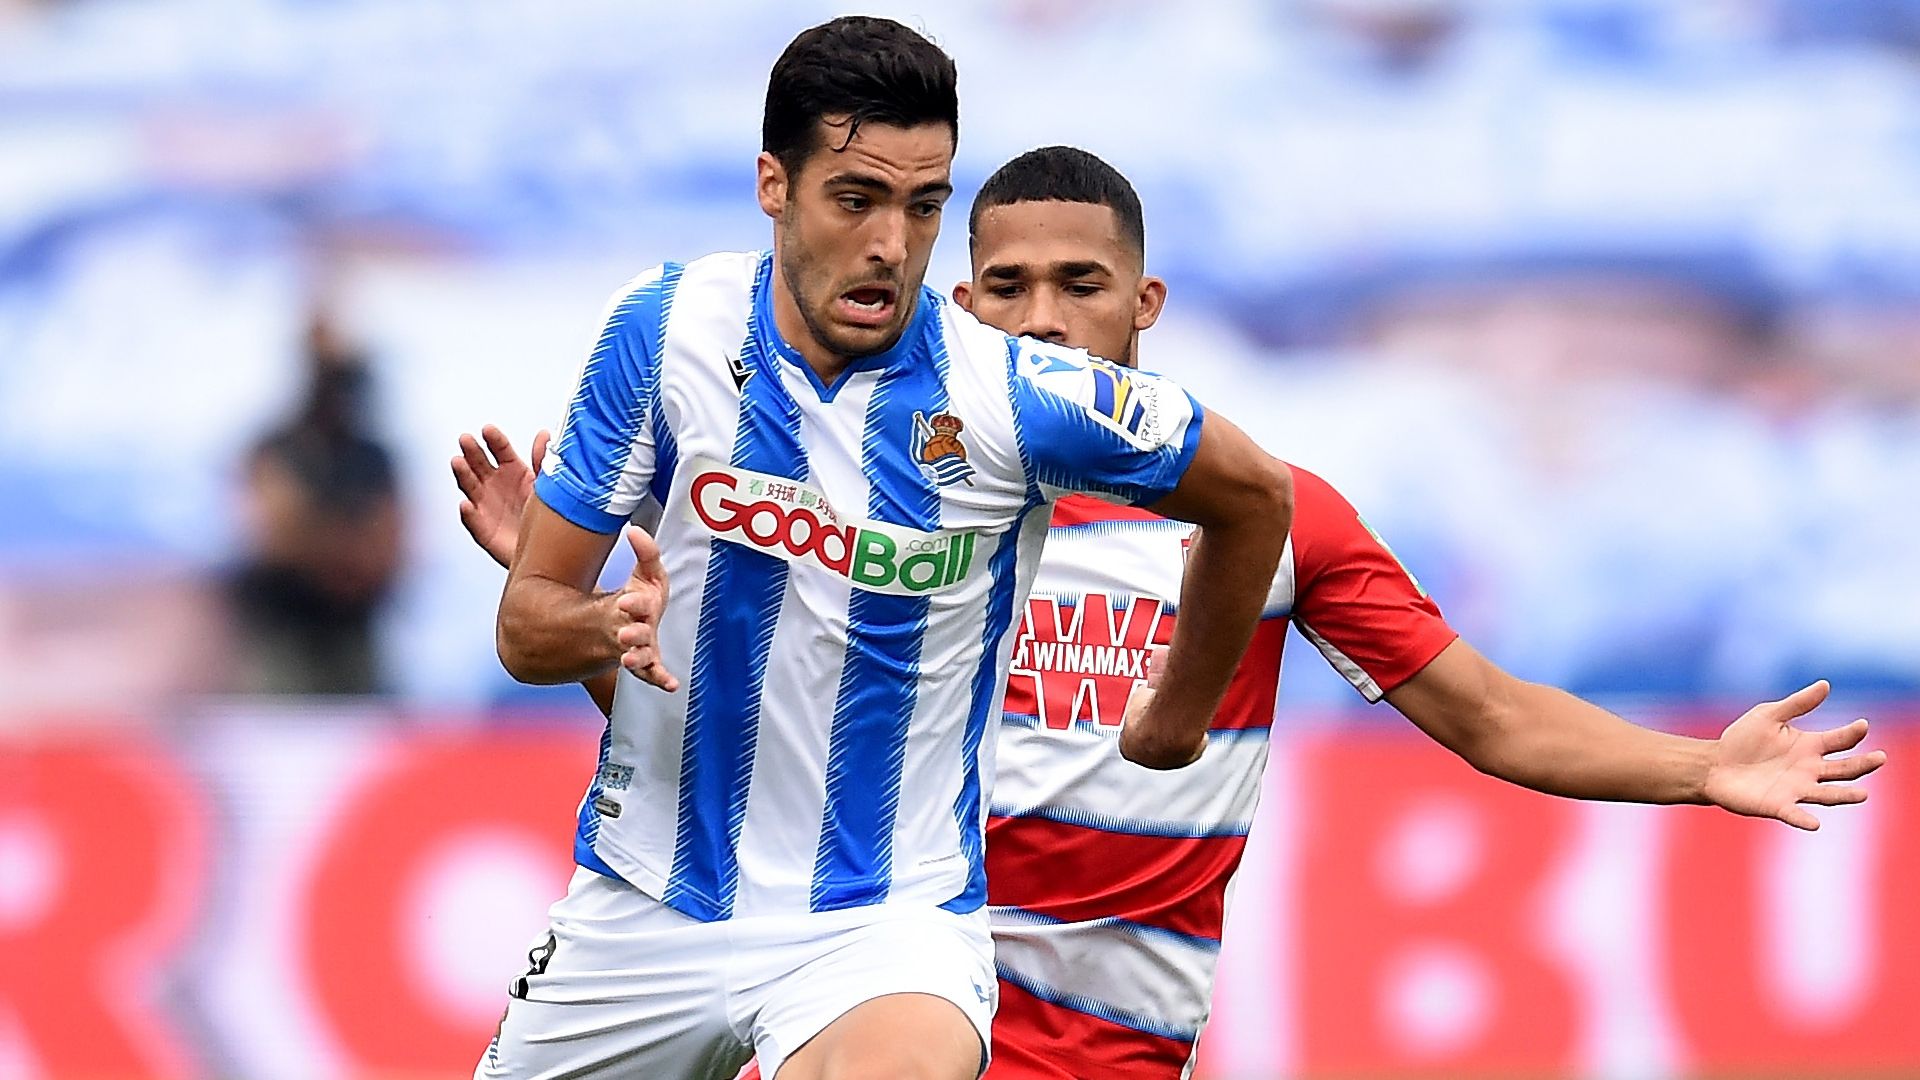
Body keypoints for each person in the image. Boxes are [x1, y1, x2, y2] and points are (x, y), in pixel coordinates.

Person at [456, 145, 1886, 1079]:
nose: (1043, 320)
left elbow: (1493, 715)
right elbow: (747, 762)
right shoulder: (878, 499)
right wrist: (587, 619)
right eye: (1005, 290)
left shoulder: (1271, 513)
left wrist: (1704, 766)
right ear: (960, 305)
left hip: (1104, 1052)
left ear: (1144, 305)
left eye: (1081, 288)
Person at [472, 17, 1296, 1080]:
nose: (891, 246)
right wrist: (598, 625)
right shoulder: (663, 328)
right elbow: (525, 627)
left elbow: (1253, 492)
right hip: (642, 905)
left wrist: (1178, 717)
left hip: (882, 929)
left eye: (923, 206)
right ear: (775, 184)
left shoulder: (1009, 394)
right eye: (856, 199)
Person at [229, 311, 402, 695]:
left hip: (354, 631)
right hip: (285, 631)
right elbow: (273, 540)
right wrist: (341, 543)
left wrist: (312, 531)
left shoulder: (372, 457)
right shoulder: (276, 447)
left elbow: (388, 549)